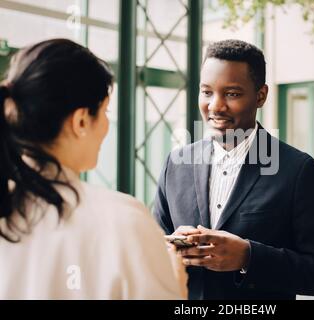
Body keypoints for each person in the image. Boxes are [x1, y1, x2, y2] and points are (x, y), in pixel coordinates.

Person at [153, 39, 314, 300]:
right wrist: (170, 248)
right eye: (207, 92)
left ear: (260, 96)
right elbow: (151, 250)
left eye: (232, 94)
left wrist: (248, 256)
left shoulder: (298, 170)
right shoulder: (175, 164)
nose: (215, 106)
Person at [0, 39, 186, 299]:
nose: (107, 125)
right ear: (81, 120)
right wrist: (176, 284)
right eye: (105, 111)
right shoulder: (122, 221)